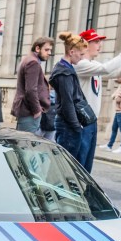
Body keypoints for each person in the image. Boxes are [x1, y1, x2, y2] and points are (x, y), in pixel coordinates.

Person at [74, 29, 121, 172]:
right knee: (78, 166)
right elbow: (107, 68)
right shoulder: (81, 65)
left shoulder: (93, 65)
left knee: (86, 168)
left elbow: (117, 72)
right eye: (96, 42)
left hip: (91, 122)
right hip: (81, 123)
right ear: (85, 44)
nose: (100, 45)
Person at [49, 32, 93, 168]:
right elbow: (68, 103)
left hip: (68, 124)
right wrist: (76, 127)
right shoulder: (64, 72)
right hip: (67, 126)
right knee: (64, 167)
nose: (81, 58)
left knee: (66, 165)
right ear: (72, 51)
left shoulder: (66, 69)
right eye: (80, 55)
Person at [11, 37, 52, 134]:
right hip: (29, 112)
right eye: (46, 50)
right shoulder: (33, 62)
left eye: (50, 50)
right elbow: (30, 90)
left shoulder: (29, 59)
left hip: (27, 111)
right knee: (25, 145)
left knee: (23, 143)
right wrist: (37, 110)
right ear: (37, 49)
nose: (49, 53)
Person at [103, 76, 121, 154]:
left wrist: (116, 95)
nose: (116, 80)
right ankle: (109, 145)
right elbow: (113, 95)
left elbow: (117, 99)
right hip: (119, 111)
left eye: (117, 78)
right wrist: (116, 95)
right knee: (114, 129)